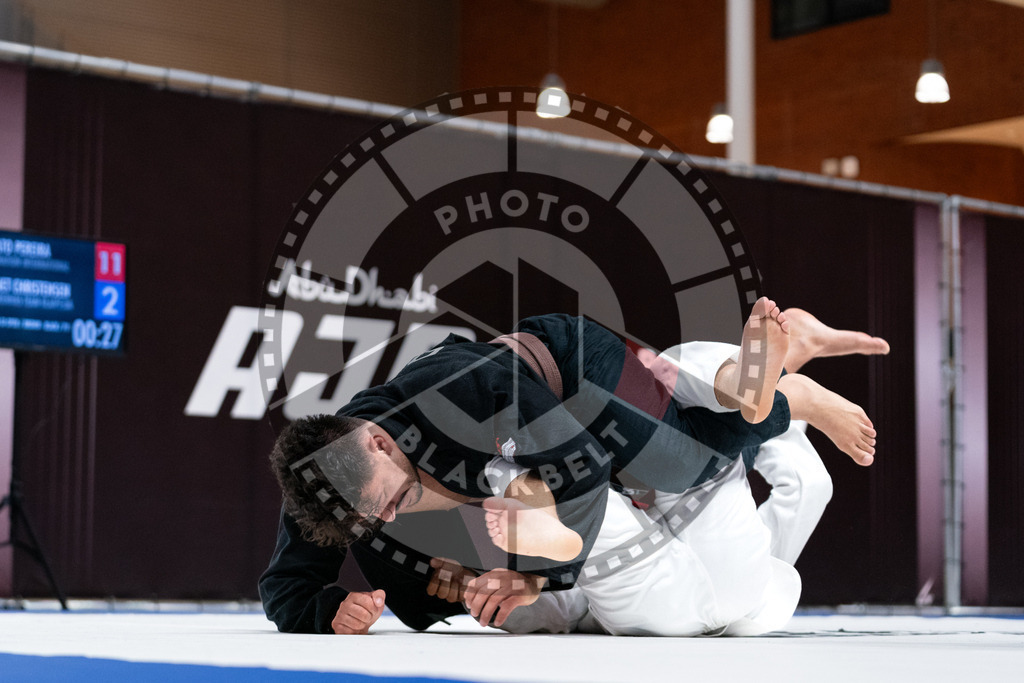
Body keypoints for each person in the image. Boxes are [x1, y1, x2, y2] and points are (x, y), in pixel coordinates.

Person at [260, 304, 887, 634]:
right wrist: (326, 612)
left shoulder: (461, 391)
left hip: (572, 373)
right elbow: (284, 589)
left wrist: (539, 573)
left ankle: (792, 395)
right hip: (528, 440)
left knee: (679, 463)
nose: (389, 518)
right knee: (676, 443)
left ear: (376, 440)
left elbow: (579, 472)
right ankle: (785, 360)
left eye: (391, 501)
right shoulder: (324, 480)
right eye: (375, 520)